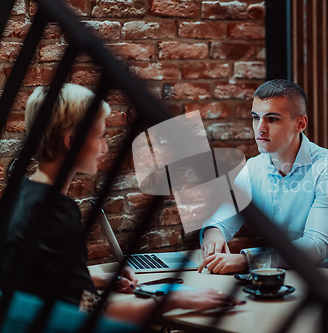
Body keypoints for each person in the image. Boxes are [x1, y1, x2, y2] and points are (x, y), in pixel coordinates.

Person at [0, 84, 244, 324]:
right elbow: (91, 313)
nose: (105, 147)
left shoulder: (20, 192)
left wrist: (99, 281)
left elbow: (36, 279)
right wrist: (172, 300)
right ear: (71, 142)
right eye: (101, 136)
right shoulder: (54, 211)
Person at [198, 79, 328, 274]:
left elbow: (316, 247)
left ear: (300, 123)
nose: (260, 128)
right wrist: (214, 234)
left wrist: (248, 260)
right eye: (256, 118)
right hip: (275, 283)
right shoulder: (254, 167)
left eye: (272, 119)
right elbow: (221, 221)